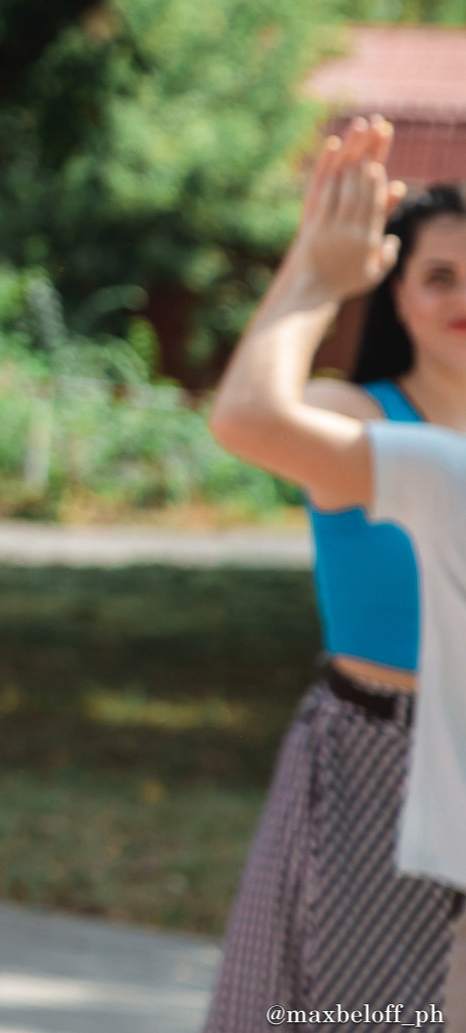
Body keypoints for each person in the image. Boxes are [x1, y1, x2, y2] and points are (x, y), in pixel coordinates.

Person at [205, 119, 466, 1022]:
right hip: (370, 756)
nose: (461, 297)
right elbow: (255, 413)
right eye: (439, 277)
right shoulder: (355, 414)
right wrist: (313, 269)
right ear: (397, 298)